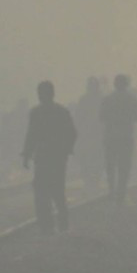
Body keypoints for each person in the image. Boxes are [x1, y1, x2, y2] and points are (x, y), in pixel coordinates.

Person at [22, 80, 77, 233]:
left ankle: (46, 226)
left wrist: (27, 154)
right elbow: (72, 133)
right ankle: (61, 223)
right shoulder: (62, 112)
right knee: (57, 191)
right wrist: (66, 150)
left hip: (44, 157)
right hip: (57, 157)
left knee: (42, 192)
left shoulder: (36, 113)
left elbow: (31, 136)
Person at [99, 73, 137, 204]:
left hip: (110, 136)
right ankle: (121, 193)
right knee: (124, 166)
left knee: (110, 165)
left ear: (115, 84)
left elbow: (101, 117)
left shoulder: (108, 99)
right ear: (126, 84)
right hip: (126, 137)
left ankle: (111, 190)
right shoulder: (132, 99)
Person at [75, 76, 104, 188]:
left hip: (92, 135)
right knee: (92, 159)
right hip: (91, 135)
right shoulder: (100, 99)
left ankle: (91, 180)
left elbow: (78, 118)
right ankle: (92, 180)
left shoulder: (85, 99)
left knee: (92, 159)